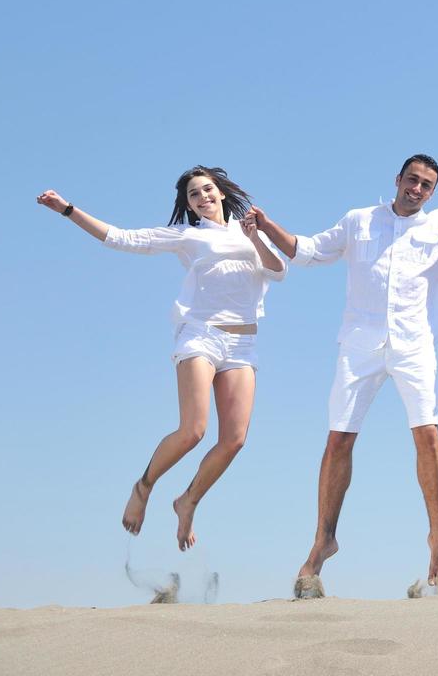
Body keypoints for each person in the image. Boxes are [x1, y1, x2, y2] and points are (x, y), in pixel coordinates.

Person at [248, 154, 438, 598]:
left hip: (415, 343)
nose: (417, 188)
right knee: (338, 439)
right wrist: (265, 224)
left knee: (427, 434)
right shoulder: (359, 221)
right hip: (359, 343)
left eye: (426, 185)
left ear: (433, 192)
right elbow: (306, 251)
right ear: (397, 179)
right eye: (412, 179)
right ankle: (323, 541)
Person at [35, 166, 285, 551]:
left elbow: (278, 270)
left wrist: (256, 236)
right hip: (201, 336)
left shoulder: (249, 230)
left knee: (234, 440)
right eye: (193, 195)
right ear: (188, 205)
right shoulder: (188, 237)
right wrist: (68, 210)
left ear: (221, 193)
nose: (202, 197)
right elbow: (120, 238)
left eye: (207, 189)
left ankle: (187, 501)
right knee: (193, 431)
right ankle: (144, 486)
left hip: (242, 345)